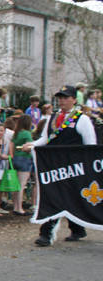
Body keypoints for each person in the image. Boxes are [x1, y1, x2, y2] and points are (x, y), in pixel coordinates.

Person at [23, 86, 97, 246]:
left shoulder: (82, 119)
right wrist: (32, 145)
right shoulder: (53, 118)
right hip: (55, 166)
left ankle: (74, 229)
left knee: (72, 198)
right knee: (55, 196)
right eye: (60, 97)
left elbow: (90, 145)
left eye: (66, 97)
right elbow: (45, 139)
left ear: (74, 99)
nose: (62, 100)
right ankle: (47, 233)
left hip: (75, 168)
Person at [10, 114, 34, 216]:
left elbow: (11, 145)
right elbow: (29, 147)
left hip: (15, 158)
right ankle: (20, 208)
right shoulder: (27, 134)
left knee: (16, 185)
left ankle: (15, 206)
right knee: (22, 184)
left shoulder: (16, 133)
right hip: (25, 159)